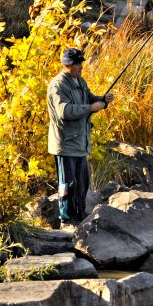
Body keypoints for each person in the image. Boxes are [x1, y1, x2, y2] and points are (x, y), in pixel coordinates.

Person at [47, 48, 114, 228]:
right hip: (65, 143)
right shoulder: (58, 85)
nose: (81, 67)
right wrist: (91, 108)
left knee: (82, 183)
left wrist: (103, 99)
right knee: (67, 184)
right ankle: (66, 220)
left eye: (81, 63)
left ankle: (78, 215)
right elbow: (65, 111)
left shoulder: (80, 81)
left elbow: (89, 99)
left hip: (80, 143)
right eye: (77, 64)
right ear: (66, 65)